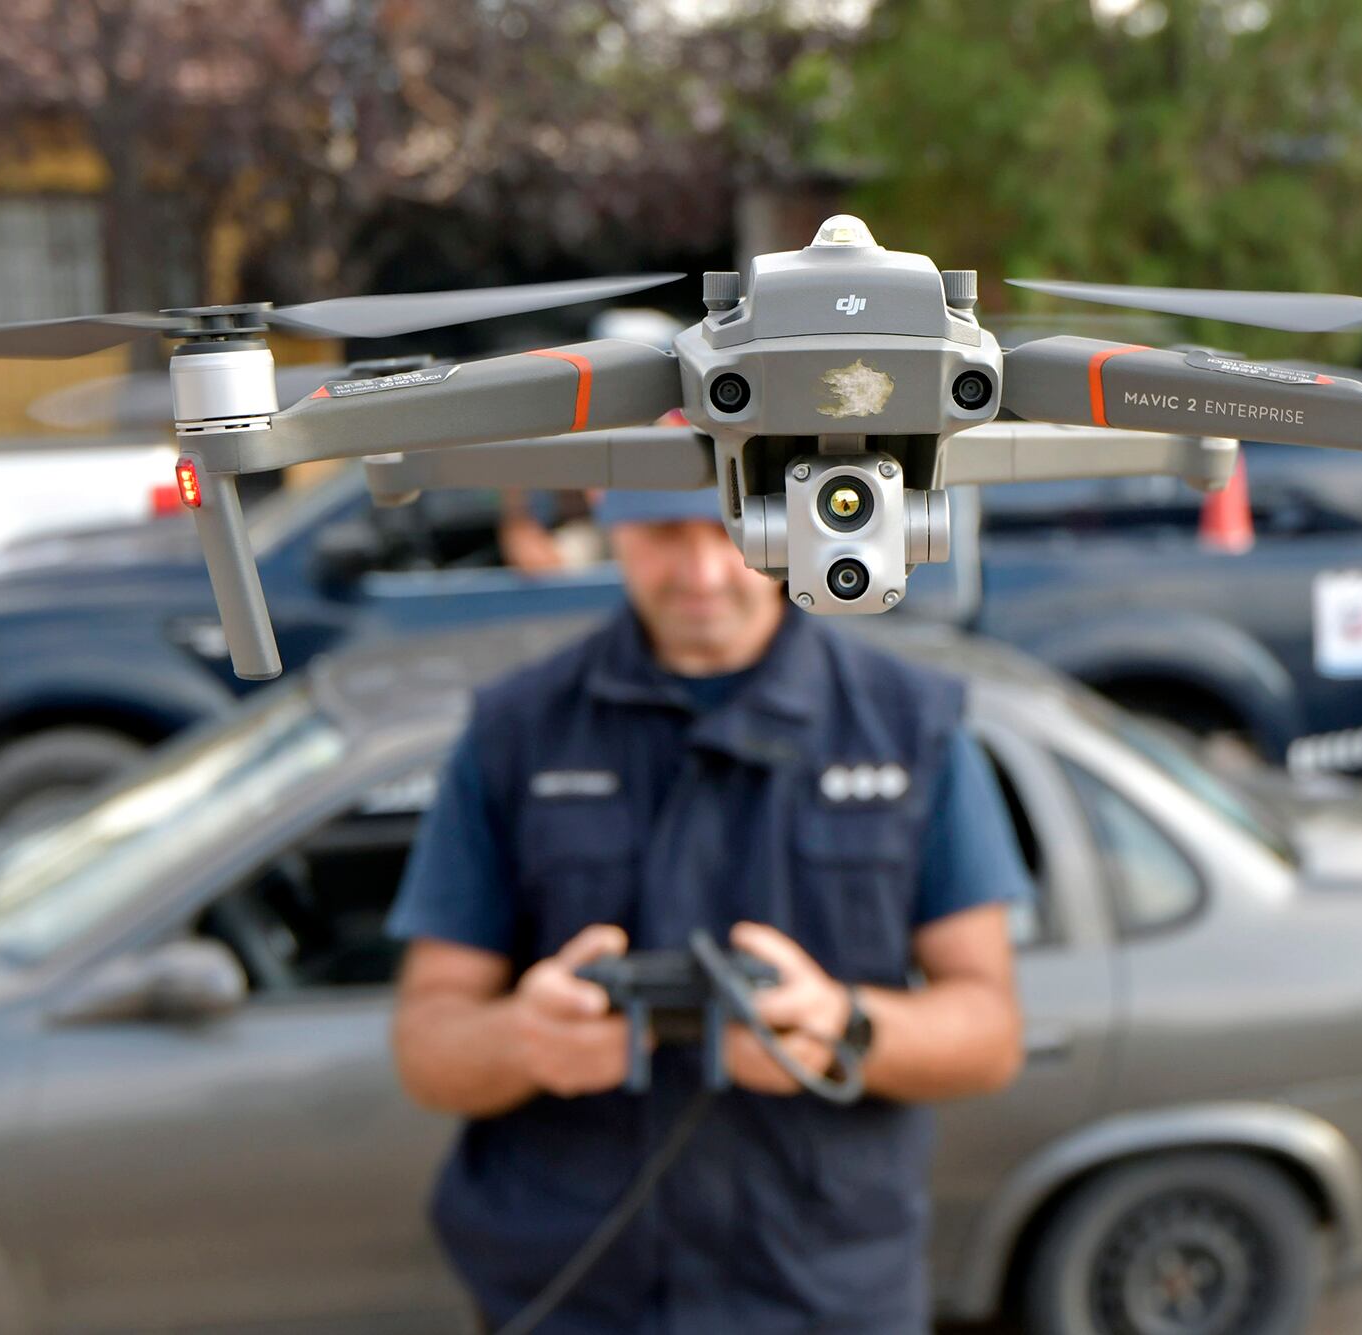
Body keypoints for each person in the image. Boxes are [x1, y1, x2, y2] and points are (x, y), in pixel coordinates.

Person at [386, 486, 1030, 1334]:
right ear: (611, 523)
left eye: (731, 531)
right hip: (573, 1292)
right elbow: (428, 1045)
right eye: (661, 532)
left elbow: (990, 1030)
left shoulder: (909, 726)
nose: (700, 571)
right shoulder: (517, 728)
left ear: (792, 526)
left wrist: (840, 1028)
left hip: (822, 1291)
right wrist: (525, 1040)